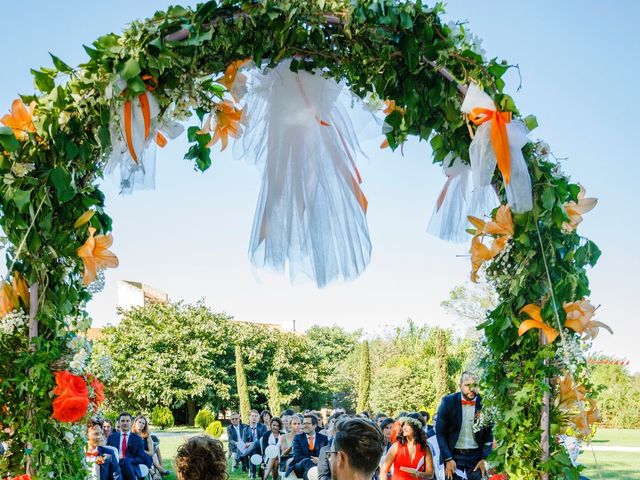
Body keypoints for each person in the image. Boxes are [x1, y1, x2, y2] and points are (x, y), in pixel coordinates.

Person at [435, 372, 493, 480]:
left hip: (477, 456)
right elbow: (440, 433)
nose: (471, 388)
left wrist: (484, 459)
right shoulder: (448, 402)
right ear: (460, 385)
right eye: (467, 385)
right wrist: (448, 458)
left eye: (475, 385)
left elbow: (489, 433)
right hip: (453, 454)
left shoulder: (485, 403)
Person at [107, 411, 151, 480]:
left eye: (127, 421)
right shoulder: (111, 437)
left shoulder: (138, 439)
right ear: (119, 422)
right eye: (123, 421)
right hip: (115, 466)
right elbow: (107, 454)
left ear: (131, 422)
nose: (125, 423)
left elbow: (141, 458)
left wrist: (128, 460)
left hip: (131, 467)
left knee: (126, 462)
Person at [288, 413, 329, 480]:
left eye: (308, 423)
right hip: (300, 466)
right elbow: (297, 457)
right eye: (304, 423)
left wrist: (319, 460)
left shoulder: (323, 438)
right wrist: (313, 460)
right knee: (306, 461)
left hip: (318, 465)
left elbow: (327, 455)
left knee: (307, 474)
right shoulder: (297, 438)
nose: (305, 426)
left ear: (314, 425)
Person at [241, 409, 268, 479]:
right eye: (252, 416)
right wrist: (249, 444)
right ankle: (253, 475)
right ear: (249, 418)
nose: (254, 417)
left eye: (256, 416)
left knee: (255, 443)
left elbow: (264, 440)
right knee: (253, 453)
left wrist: (252, 443)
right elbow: (244, 442)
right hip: (251, 450)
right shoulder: (245, 429)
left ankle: (241, 457)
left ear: (258, 418)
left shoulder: (263, 427)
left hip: (262, 448)